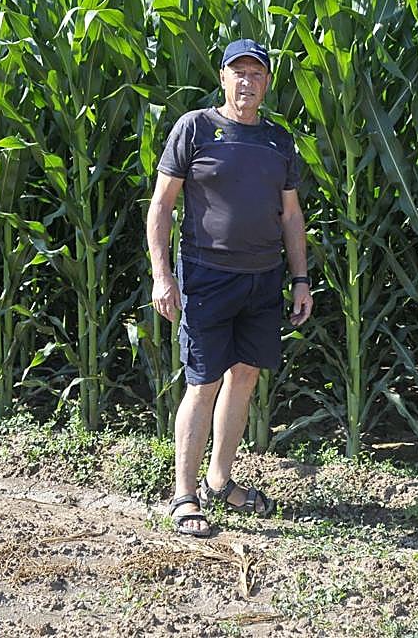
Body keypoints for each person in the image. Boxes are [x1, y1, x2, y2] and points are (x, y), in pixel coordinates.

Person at [146, 38, 313, 537]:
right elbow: (161, 205)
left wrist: (300, 279)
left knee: (244, 377)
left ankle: (220, 481)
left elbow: (290, 215)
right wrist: (162, 274)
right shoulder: (194, 129)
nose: (247, 82)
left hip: (263, 278)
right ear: (222, 78)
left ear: (266, 83)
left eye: (256, 74)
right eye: (238, 73)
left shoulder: (278, 141)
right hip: (206, 276)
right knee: (203, 381)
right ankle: (184, 494)